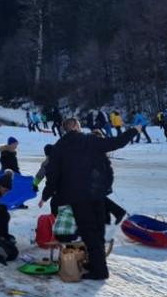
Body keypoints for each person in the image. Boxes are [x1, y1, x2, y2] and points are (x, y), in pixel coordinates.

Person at [41, 118, 136, 280]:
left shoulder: (58, 147)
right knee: (97, 232)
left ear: (64, 130)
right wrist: (133, 131)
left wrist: (46, 195)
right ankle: (97, 266)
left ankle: (98, 270)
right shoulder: (90, 140)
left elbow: (52, 176)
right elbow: (115, 142)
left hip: (76, 197)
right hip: (96, 194)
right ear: (77, 127)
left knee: (89, 233)